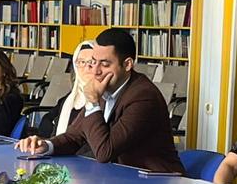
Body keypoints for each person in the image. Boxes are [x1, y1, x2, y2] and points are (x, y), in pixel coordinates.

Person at [16, 27, 184, 174]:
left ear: (127, 65)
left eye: (104, 64)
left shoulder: (143, 97)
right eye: (93, 62)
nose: (95, 71)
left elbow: (105, 152)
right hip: (122, 178)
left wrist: (92, 102)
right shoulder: (107, 87)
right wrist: (46, 146)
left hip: (157, 183)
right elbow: (74, 136)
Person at [37, 42, 95, 140]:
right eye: (82, 62)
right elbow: (47, 122)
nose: (87, 67)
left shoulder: (106, 100)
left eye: (92, 62)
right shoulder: (69, 99)